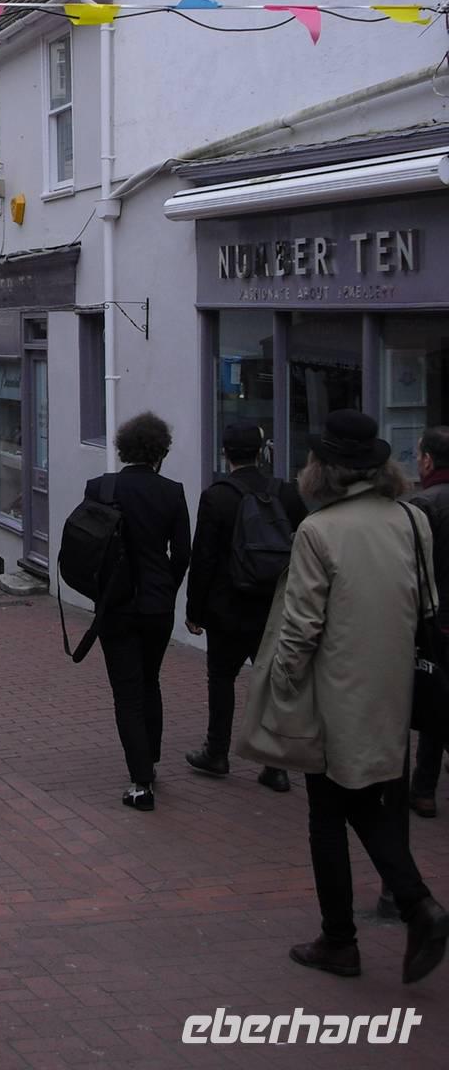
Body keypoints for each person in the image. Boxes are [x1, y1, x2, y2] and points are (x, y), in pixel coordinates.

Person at [240, 410, 448, 984]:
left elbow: (302, 624)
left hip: (332, 692)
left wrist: (280, 682)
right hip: (391, 688)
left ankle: (343, 938)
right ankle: (413, 907)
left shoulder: (319, 530)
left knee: (328, 815)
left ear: (324, 469)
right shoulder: (411, 519)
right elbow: (427, 604)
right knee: (362, 804)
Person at [184, 421, 306, 792]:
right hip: (274, 605)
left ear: (225, 453)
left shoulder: (217, 496)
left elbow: (203, 557)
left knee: (221, 678)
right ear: (261, 452)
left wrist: (194, 610)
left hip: (228, 606)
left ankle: (217, 751)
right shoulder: (285, 492)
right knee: (271, 683)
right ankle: (274, 764)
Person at [92, 411, 191, 813]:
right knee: (150, 679)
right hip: (156, 604)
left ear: (123, 448)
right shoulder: (172, 492)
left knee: (126, 690)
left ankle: (141, 781)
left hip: (115, 605)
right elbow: (182, 553)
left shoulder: (101, 488)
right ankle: (150, 757)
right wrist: (167, 586)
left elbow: (88, 545)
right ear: (160, 452)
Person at [410, 426, 449, 818]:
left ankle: (423, 788)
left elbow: (413, 568)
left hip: (438, 619)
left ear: (428, 460)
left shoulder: (425, 504)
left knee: (435, 698)